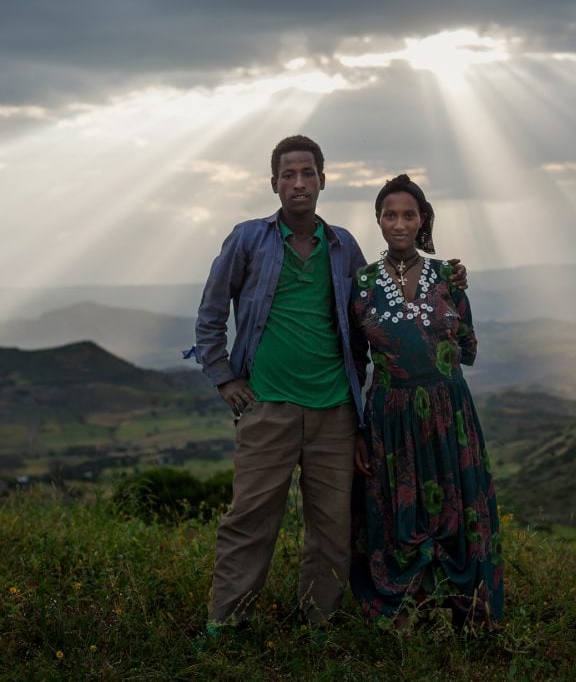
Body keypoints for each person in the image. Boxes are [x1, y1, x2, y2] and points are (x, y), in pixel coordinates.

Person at [187, 136, 465, 630]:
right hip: (267, 406)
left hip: (335, 410)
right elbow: (210, 314)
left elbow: (373, 317)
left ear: (322, 179)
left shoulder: (342, 247)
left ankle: (318, 626)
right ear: (274, 183)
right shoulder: (249, 239)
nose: (299, 183)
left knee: (332, 531)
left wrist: (445, 278)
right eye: (289, 174)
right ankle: (225, 624)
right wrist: (223, 378)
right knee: (250, 522)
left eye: (308, 173)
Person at [349, 174, 503, 629]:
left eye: (408, 214)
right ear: (378, 220)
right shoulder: (361, 282)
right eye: (389, 214)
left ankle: (460, 604)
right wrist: (356, 428)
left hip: (447, 412)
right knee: (398, 510)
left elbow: (468, 346)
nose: (399, 223)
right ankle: (409, 605)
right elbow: (354, 361)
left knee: (455, 508)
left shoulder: (448, 276)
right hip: (389, 417)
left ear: (423, 220)